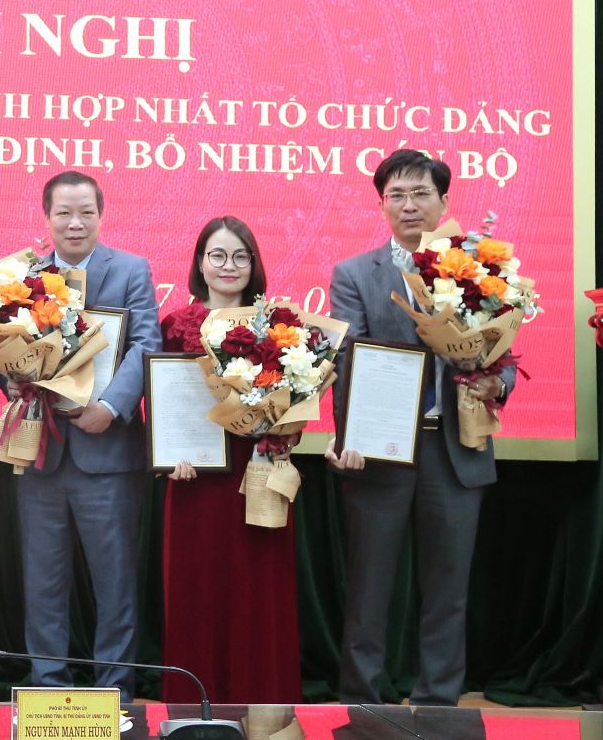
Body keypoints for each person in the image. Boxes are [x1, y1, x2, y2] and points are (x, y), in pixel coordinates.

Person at [325, 149, 513, 706]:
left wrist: (496, 383)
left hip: (455, 450)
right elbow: (348, 362)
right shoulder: (355, 274)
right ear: (382, 205)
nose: (409, 205)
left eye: (421, 193)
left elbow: (504, 351)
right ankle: (363, 702)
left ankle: (438, 708)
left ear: (443, 201)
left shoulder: (479, 268)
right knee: (370, 588)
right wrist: (350, 436)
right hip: (381, 450)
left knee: (448, 592)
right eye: (397, 195)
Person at [10, 170, 160, 700]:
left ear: (101, 215)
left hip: (108, 454)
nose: (75, 224)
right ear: (47, 217)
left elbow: (145, 343)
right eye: (64, 214)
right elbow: (4, 346)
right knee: (43, 583)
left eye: (86, 213)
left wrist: (113, 407)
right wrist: (13, 377)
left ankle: (114, 693)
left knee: (114, 583)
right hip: (43, 451)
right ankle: (48, 692)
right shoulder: (23, 276)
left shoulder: (131, 270)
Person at [159, 216, 301, 703]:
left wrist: (283, 432)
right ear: (200, 262)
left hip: (257, 472)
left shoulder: (280, 327)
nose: (229, 265)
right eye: (217, 255)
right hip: (195, 480)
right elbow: (163, 400)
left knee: (259, 593)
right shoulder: (175, 326)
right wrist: (170, 454)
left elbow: (298, 401)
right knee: (196, 592)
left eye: (241, 256)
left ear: (254, 264)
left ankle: (264, 710)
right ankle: (194, 710)